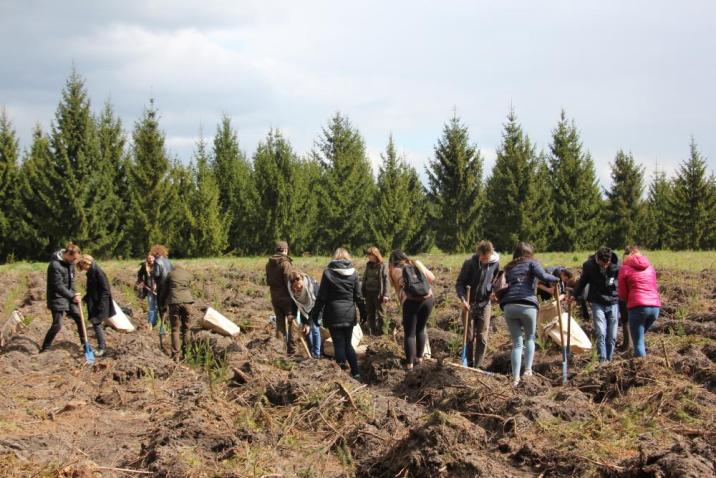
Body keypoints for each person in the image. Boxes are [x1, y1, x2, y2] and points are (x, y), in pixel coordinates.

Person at [499, 242, 559, 387]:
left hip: (509, 306)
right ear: (529, 253)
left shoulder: (508, 267)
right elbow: (543, 275)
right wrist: (557, 279)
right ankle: (527, 371)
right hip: (527, 304)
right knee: (530, 338)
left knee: (517, 343)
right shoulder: (532, 263)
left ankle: (515, 379)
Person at [310, 248, 366, 379]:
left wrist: (315, 313)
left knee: (338, 344)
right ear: (348, 258)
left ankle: (341, 374)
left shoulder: (328, 273)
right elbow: (358, 296)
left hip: (333, 313)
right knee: (348, 344)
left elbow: (322, 296)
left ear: (335, 258)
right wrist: (364, 314)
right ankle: (356, 372)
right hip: (349, 313)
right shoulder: (354, 273)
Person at [455, 240, 500, 369]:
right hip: (468, 303)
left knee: (482, 336)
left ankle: (478, 366)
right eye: (482, 257)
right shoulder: (469, 263)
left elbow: (495, 280)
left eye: (486, 258)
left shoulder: (495, 263)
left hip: (484, 303)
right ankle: (468, 364)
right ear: (478, 254)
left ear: (491, 254)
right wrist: (463, 299)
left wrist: (493, 292)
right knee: (468, 336)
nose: (484, 260)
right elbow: (459, 283)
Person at [571, 247, 621, 363]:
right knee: (601, 332)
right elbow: (583, 281)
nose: (604, 266)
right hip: (597, 301)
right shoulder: (589, 266)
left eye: (606, 263)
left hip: (613, 301)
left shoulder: (616, 266)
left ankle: (609, 359)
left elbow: (621, 282)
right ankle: (602, 360)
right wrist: (574, 295)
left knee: (612, 335)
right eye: (601, 263)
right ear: (597, 258)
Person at [389, 249, 435, 370]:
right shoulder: (416, 263)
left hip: (411, 301)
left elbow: (398, 290)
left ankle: (409, 365)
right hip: (428, 299)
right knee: (420, 329)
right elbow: (432, 278)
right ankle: (419, 359)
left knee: (410, 334)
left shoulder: (394, 270)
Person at [40, 243, 86, 353]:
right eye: (73, 258)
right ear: (67, 254)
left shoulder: (70, 264)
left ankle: (85, 345)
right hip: (57, 297)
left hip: (69, 297)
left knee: (79, 318)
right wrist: (72, 296)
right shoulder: (55, 265)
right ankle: (45, 347)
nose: (75, 261)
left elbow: (72, 282)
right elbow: (58, 285)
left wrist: (75, 295)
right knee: (58, 324)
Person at [618, 246, 661, 358]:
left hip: (638, 307)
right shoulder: (650, 267)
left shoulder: (625, 268)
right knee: (639, 338)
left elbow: (622, 293)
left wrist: (627, 301)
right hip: (655, 308)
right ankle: (635, 359)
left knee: (638, 343)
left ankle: (642, 368)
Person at [77, 255, 115, 356]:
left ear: (86, 263)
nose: (81, 267)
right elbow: (91, 290)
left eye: (81, 264)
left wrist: (101, 305)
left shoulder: (98, 272)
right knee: (96, 323)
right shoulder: (90, 272)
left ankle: (102, 348)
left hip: (100, 303)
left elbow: (106, 290)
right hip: (94, 301)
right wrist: (85, 299)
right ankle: (102, 346)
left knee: (96, 323)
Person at [159, 263, 195, 361]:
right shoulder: (188, 274)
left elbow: (164, 291)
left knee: (175, 329)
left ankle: (176, 355)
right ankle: (187, 353)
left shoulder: (170, 274)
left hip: (174, 303)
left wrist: (162, 304)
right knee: (187, 329)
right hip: (188, 302)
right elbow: (191, 283)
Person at [266, 241, 297, 354]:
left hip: (275, 297)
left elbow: (268, 281)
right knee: (292, 323)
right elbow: (289, 282)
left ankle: (279, 350)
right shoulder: (285, 263)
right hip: (287, 299)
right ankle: (292, 351)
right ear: (285, 250)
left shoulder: (269, 264)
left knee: (280, 324)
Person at [289, 270, 322, 358]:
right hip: (304, 311)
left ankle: (317, 354)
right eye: (295, 287)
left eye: (300, 286)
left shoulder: (312, 286)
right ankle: (310, 353)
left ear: (302, 279)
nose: (298, 288)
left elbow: (315, 306)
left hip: (316, 308)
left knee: (314, 329)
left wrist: (309, 323)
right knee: (306, 331)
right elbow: (294, 303)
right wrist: (293, 314)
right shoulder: (292, 289)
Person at [361, 247, 390, 336]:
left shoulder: (382, 265)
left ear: (375, 255)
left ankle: (382, 333)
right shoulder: (368, 265)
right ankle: (372, 332)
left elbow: (386, 280)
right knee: (370, 313)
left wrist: (386, 294)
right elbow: (365, 278)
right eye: (368, 255)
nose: (369, 257)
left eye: (370, 255)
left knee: (381, 314)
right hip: (368, 292)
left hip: (378, 293)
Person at [136, 253, 159, 327]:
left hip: (158, 289)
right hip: (148, 288)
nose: (151, 260)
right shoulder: (144, 266)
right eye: (149, 258)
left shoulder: (158, 265)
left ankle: (155, 321)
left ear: (154, 258)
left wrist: (156, 284)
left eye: (152, 258)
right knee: (151, 305)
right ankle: (150, 323)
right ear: (147, 259)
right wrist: (141, 281)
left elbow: (161, 276)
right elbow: (139, 274)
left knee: (156, 306)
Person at [150, 244, 172, 313]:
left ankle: (162, 323)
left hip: (161, 285)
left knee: (161, 304)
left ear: (155, 253)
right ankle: (167, 321)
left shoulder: (157, 261)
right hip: (169, 284)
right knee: (168, 303)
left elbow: (156, 274)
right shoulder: (168, 261)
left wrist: (151, 272)